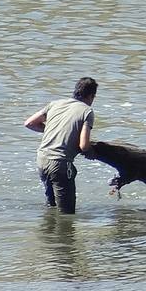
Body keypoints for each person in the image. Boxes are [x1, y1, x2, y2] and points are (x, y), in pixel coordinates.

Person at [24, 77, 98, 214]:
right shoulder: (87, 111)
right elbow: (84, 145)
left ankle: (48, 234)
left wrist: (54, 130)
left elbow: (29, 123)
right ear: (91, 96)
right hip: (60, 164)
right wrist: (92, 153)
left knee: (51, 207)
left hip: (42, 160)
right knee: (67, 214)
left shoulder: (55, 104)